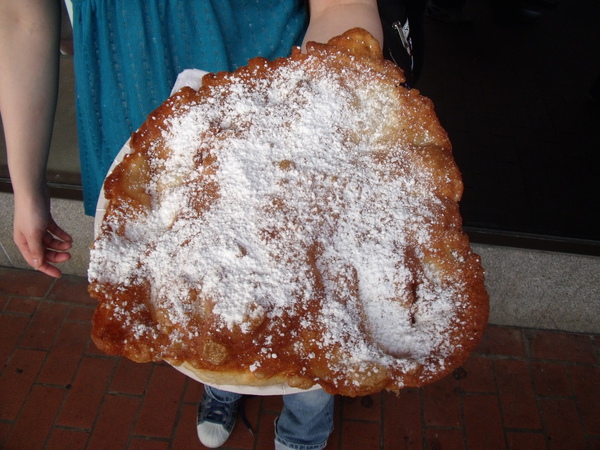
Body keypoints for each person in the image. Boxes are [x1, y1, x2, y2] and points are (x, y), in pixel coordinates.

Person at [0, 1, 383, 449]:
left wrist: (326, 119)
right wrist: (26, 186)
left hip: (272, 99)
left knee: (308, 294)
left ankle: (305, 421)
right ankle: (223, 377)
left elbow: (343, 6)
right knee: (199, 293)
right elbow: (22, 18)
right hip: (144, 115)